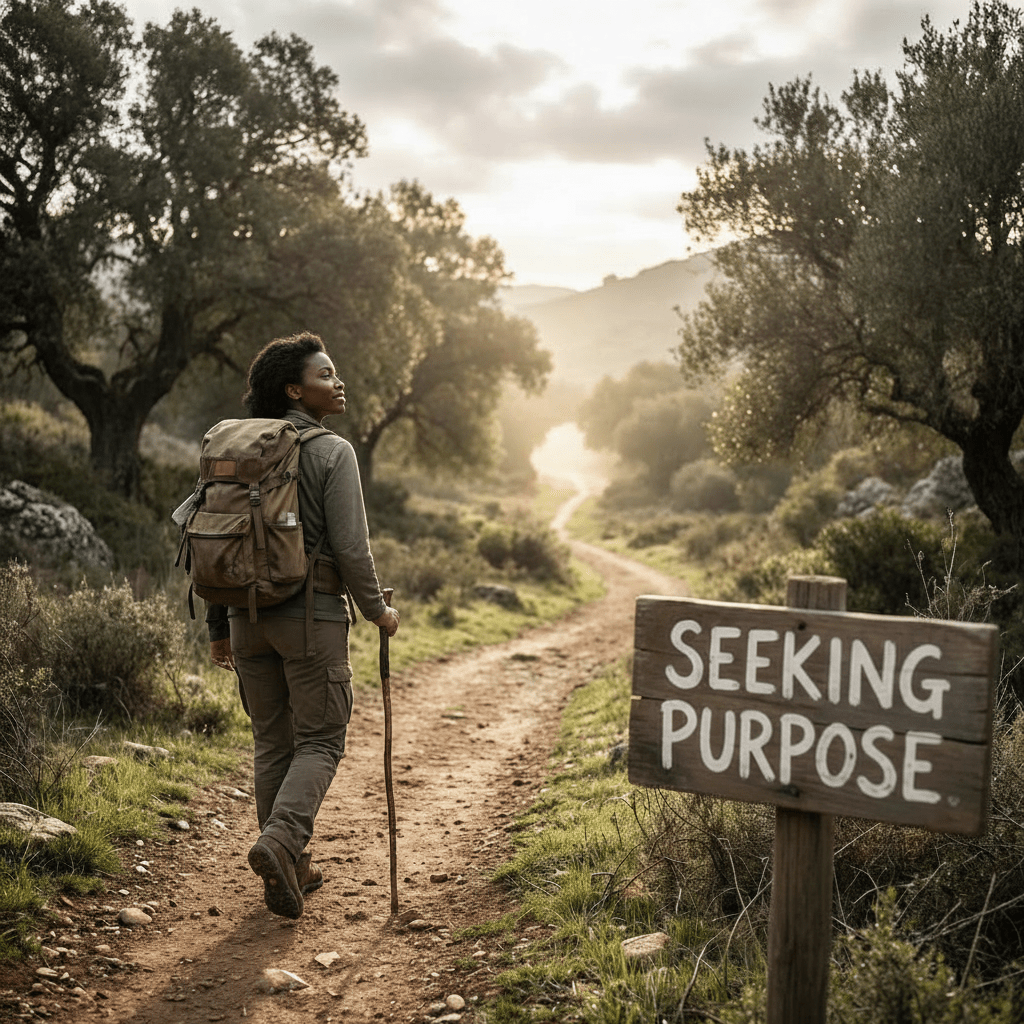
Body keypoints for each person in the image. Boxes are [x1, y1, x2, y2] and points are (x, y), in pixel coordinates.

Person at [205, 331, 399, 920]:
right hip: (309, 617)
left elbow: (213, 534)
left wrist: (219, 624)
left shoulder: (232, 446)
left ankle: (294, 866)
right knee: (319, 741)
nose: (338, 383)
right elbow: (350, 547)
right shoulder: (332, 451)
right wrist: (378, 612)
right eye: (325, 374)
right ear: (295, 389)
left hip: (244, 618)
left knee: (273, 742)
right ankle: (282, 842)